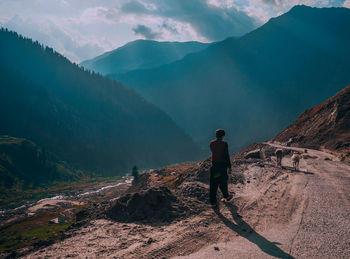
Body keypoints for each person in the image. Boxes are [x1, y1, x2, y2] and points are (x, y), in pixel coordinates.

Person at [209, 129, 233, 207]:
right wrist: (229, 167)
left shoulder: (211, 143)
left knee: (213, 184)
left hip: (214, 166)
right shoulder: (224, 144)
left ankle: (213, 202)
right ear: (223, 136)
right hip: (222, 166)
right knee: (223, 182)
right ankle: (226, 196)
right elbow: (226, 156)